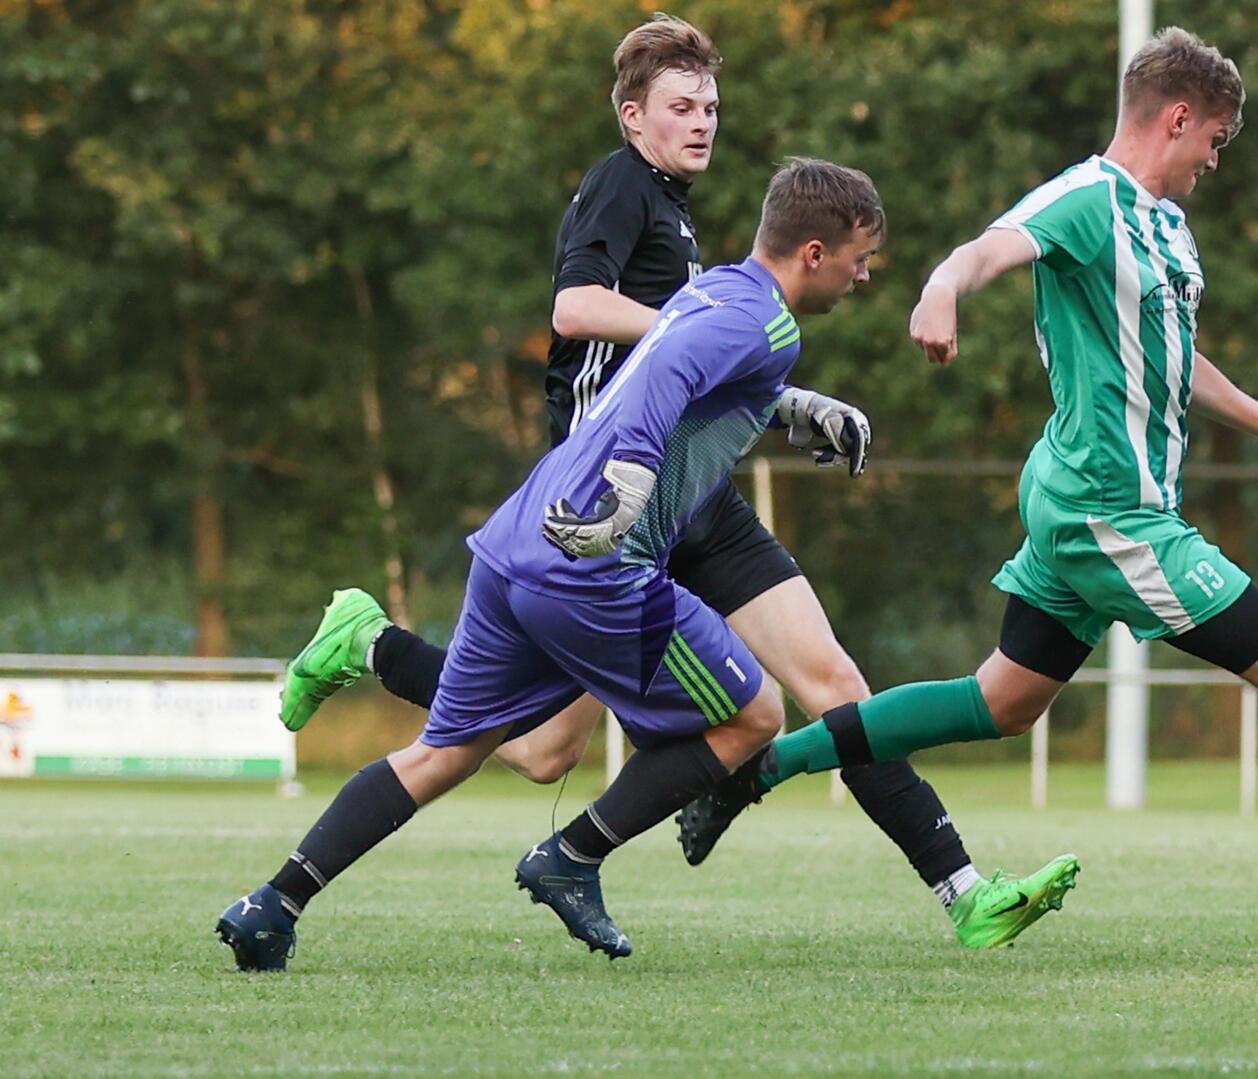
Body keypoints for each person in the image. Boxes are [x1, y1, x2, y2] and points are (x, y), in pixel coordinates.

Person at [272, 15, 1076, 951]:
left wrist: (783, 399)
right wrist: (690, 334)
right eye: (681, 106)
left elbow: (714, 356)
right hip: (609, 497)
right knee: (542, 752)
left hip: (688, 497)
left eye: (711, 106)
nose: (702, 122)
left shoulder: (679, 209)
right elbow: (575, 308)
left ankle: (964, 889)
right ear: (632, 116)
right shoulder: (621, 185)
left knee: (832, 682)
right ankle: (372, 643)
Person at [677, 27, 1258, 964]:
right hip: (1110, 509)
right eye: (1214, 142)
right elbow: (984, 251)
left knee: (1003, 700)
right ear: (1177, 118)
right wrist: (938, 292)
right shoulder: (1085, 198)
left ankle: (758, 766)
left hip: (1089, 506)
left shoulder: (1168, 226)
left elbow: (1175, 364)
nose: (1213, 163)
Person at [220, 159, 910, 971]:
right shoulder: (764, 322)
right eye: (863, 258)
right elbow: (674, 374)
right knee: (754, 715)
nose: (865, 276)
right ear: (816, 252)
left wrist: (789, 404)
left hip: (514, 546)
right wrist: (627, 489)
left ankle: (276, 901)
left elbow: (679, 357)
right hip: (596, 565)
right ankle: (574, 855)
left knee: (451, 753)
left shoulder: (716, 288)